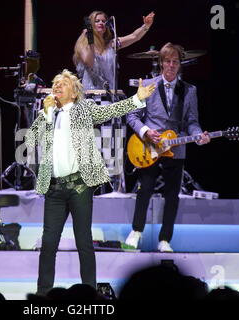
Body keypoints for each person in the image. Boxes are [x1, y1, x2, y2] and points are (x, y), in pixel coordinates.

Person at [25, 69, 155, 295]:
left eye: (63, 83)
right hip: (54, 189)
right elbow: (29, 139)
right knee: (48, 245)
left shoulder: (82, 109)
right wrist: (45, 115)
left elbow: (111, 110)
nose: (57, 86)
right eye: (55, 83)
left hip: (79, 186)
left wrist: (137, 99)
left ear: (74, 93)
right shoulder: (47, 114)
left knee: (84, 243)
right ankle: (43, 294)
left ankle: (89, 293)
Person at [126, 42, 211, 253]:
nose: (171, 65)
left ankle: (165, 239)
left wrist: (198, 135)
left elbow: (192, 121)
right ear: (161, 63)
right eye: (167, 61)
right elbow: (132, 115)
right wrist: (146, 131)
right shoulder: (148, 85)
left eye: (175, 62)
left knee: (172, 195)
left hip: (176, 147)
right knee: (144, 189)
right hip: (149, 147)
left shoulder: (189, 91)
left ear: (180, 64)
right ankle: (136, 232)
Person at [73, 10, 155, 90]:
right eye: (97, 21)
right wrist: (91, 42)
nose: (101, 23)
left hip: (110, 93)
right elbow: (90, 63)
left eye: (103, 21)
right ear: (90, 25)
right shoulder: (83, 43)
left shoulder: (111, 44)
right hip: (90, 94)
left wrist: (146, 25)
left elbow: (134, 36)